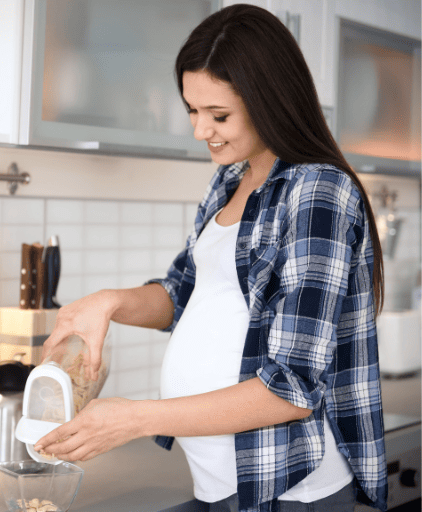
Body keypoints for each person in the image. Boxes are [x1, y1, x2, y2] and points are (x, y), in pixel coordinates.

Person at [34, 4, 387, 512]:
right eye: (192, 111)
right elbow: (181, 293)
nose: (201, 130)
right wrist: (107, 303)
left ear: (270, 99)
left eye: (218, 115)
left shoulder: (318, 192)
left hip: (288, 488)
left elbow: (289, 390)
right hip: (220, 482)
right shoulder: (229, 179)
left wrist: (135, 418)